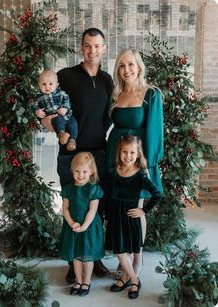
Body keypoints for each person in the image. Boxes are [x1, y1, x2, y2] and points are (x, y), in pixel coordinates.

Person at [41, 28, 114, 283]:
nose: (92, 50)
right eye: (87, 45)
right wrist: (52, 126)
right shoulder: (66, 77)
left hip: (98, 153)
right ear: (81, 48)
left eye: (97, 46)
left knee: (97, 209)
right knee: (73, 206)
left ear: (104, 48)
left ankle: (94, 258)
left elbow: (109, 116)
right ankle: (74, 262)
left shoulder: (107, 80)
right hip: (70, 154)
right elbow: (46, 108)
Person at [106, 48, 164, 277]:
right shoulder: (116, 94)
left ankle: (137, 258)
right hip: (116, 157)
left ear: (139, 67)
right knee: (119, 209)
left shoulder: (151, 94)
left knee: (136, 210)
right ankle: (125, 257)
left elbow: (155, 131)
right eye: (122, 65)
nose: (126, 70)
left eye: (131, 64)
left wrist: (146, 164)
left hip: (137, 160)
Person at [105, 135, 162, 299]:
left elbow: (157, 194)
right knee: (120, 251)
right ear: (119, 152)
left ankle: (130, 279)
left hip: (131, 218)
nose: (127, 156)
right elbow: (109, 196)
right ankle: (132, 278)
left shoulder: (140, 175)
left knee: (127, 251)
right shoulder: (114, 172)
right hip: (116, 217)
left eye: (131, 152)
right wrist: (107, 216)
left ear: (138, 154)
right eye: (124, 152)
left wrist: (144, 211)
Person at [58, 152, 104, 296]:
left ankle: (86, 281)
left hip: (88, 226)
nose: (81, 175)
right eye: (77, 171)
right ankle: (78, 280)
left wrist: (83, 226)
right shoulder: (68, 188)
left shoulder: (93, 189)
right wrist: (72, 223)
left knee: (87, 255)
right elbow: (64, 208)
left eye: (84, 171)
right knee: (76, 256)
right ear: (72, 171)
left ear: (91, 172)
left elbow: (92, 210)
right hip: (72, 225)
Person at [34, 70, 78, 151]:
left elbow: (66, 100)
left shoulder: (61, 93)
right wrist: (37, 111)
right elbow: (34, 106)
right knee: (58, 121)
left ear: (57, 85)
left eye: (50, 84)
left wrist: (65, 108)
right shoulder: (38, 98)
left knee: (73, 123)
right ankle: (61, 135)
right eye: (44, 84)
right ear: (39, 85)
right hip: (55, 116)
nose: (47, 87)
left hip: (67, 115)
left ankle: (72, 140)